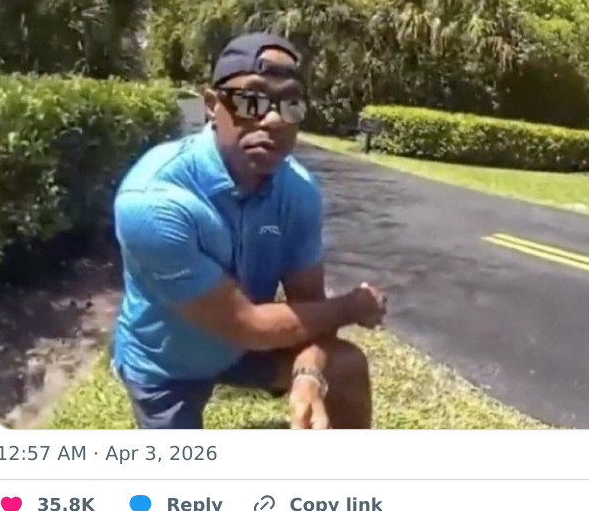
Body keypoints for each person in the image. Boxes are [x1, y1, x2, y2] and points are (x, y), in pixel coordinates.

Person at [113, 32, 387, 429]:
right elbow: (247, 325)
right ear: (211, 105)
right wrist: (354, 304)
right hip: (165, 362)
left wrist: (309, 373)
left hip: (243, 351)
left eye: (290, 103)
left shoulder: (298, 191)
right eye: (250, 101)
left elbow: (311, 309)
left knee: (345, 365)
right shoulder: (153, 199)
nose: (273, 119)